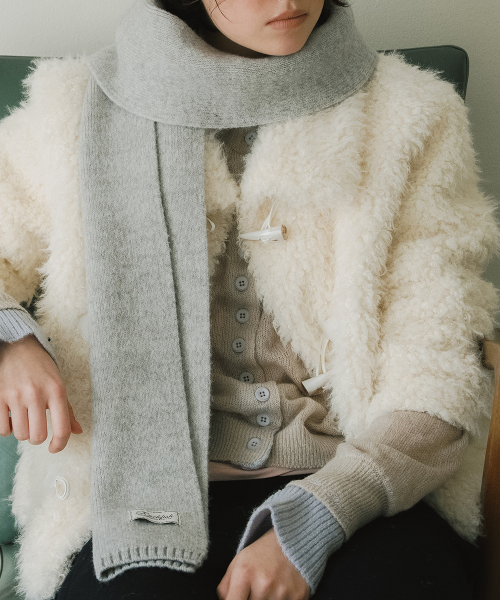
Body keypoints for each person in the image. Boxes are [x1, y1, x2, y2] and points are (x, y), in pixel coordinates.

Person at [0, 0, 498, 598]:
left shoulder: (412, 113)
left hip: (353, 482)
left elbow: (438, 365)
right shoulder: (73, 109)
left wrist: (319, 517)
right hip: (133, 497)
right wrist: (12, 340)